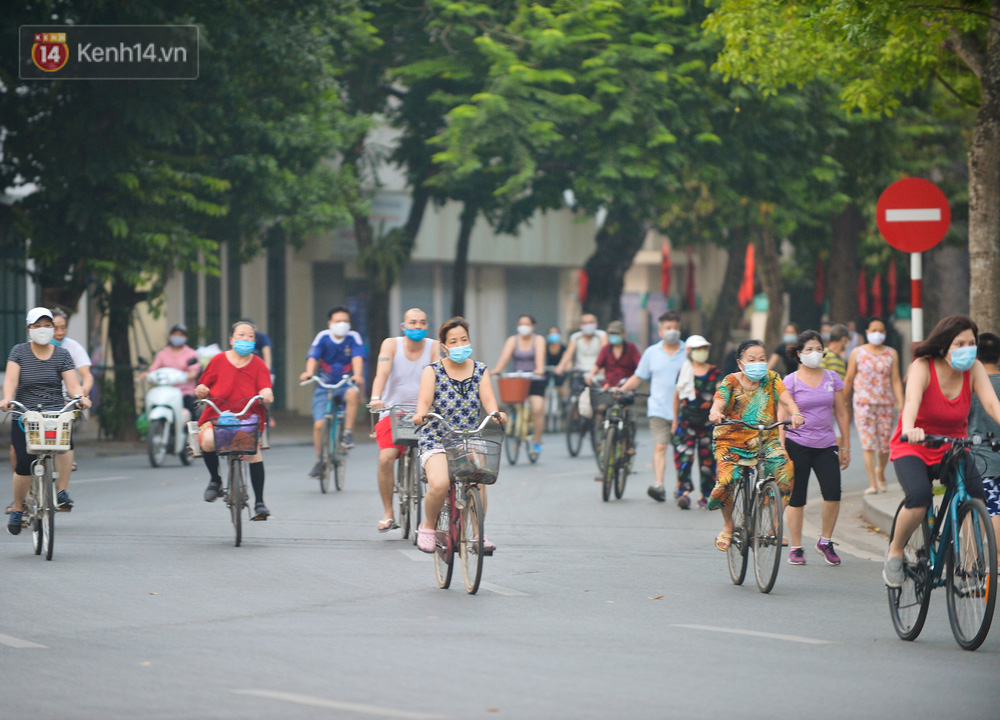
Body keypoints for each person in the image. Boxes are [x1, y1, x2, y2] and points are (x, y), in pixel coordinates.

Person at [884, 315, 1000, 587]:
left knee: (976, 500)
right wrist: (910, 427)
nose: (967, 349)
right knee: (919, 497)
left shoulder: (975, 369)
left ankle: (970, 569)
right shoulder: (923, 367)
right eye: (960, 343)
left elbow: (993, 405)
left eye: (972, 343)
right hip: (914, 444)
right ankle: (895, 551)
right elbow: (911, 401)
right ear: (944, 345)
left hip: (953, 447)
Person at [412, 317, 506, 553]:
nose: (460, 344)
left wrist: (496, 413)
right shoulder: (432, 371)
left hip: (468, 437)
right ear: (444, 346)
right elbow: (423, 401)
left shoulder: (480, 369)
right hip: (436, 437)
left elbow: (488, 400)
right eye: (453, 341)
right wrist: (420, 414)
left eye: (464, 339)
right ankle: (428, 526)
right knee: (441, 483)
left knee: (479, 479)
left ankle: (477, 534)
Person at [708, 340, 804, 552]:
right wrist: (716, 412)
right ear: (741, 363)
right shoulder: (730, 381)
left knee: (785, 469)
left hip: (765, 439)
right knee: (726, 480)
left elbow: (786, 399)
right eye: (752, 360)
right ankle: (728, 525)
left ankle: (775, 525)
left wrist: (796, 412)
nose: (758, 363)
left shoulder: (772, 379)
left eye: (762, 359)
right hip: (731, 440)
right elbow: (719, 400)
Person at [2, 308, 92, 535]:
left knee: (65, 442)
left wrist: (80, 398)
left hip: (53, 413)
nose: (43, 330)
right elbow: (11, 381)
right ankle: (18, 508)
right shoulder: (19, 352)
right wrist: (7, 399)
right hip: (25, 415)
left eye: (47, 325)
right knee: (23, 464)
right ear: (29, 329)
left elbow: (73, 385)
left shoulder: (62, 355)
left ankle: (62, 492)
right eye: (37, 325)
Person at [780, 331, 850, 566]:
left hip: (826, 444)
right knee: (796, 497)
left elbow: (841, 413)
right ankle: (797, 547)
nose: (814, 353)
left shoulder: (832, 378)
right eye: (808, 349)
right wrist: (781, 448)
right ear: (799, 354)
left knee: (833, 493)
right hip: (797, 444)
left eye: (818, 348)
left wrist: (846, 446)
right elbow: (782, 417)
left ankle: (825, 541)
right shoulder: (791, 381)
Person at [368, 308, 439, 532]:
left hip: (424, 413)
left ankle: (435, 514)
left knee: (437, 461)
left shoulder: (434, 346)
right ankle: (388, 512)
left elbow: (439, 375)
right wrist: (376, 398)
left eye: (422, 323)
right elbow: (382, 372)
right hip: (393, 411)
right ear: (403, 326)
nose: (418, 327)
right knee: (385, 458)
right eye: (413, 322)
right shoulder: (391, 344)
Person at [196, 320, 274, 520]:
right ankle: (215, 480)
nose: (245, 339)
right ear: (231, 340)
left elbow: (265, 387)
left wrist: (266, 394)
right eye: (241, 335)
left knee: (254, 452)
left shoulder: (258, 364)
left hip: (247, 419)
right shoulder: (218, 360)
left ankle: (259, 503)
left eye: (250, 336)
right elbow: (201, 386)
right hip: (216, 417)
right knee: (207, 441)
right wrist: (202, 390)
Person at [618, 312, 687, 502]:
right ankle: (659, 485)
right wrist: (621, 390)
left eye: (675, 327)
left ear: (679, 330)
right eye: (668, 327)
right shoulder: (651, 353)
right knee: (660, 446)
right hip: (658, 409)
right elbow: (638, 377)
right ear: (660, 331)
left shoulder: (688, 351)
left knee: (682, 451)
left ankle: (681, 488)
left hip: (683, 411)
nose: (672, 331)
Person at [300, 306, 366, 478]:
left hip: (345, 383)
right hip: (324, 385)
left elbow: (357, 357)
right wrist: (308, 373)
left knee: (352, 393)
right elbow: (313, 356)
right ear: (330, 323)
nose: (342, 324)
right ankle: (320, 461)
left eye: (345, 321)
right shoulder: (323, 337)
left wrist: (358, 375)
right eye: (338, 321)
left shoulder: (353, 337)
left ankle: (347, 433)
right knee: (318, 425)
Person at [844, 316, 904, 494]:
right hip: (863, 404)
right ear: (867, 332)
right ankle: (872, 482)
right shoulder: (858, 353)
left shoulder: (891, 353)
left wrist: (900, 402)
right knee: (868, 444)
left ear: (885, 333)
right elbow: (849, 379)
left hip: (886, 404)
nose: (877, 333)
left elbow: (895, 379)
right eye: (874, 330)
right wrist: (842, 403)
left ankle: (881, 471)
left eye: (881, 330)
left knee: (885, 444)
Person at [669, 335, 721, 510]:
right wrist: (675, 421)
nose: (702, 352)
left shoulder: (714, 372)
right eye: (698, 349)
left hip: (708, 422)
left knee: (708, 460)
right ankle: (684, 492)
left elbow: (721, 394)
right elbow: (676, 398)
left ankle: (705, 495)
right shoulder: (684, 371)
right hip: (686, 422)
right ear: (690, 352)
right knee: (683, 457)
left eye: (704, 348)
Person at [493, 314, 546, 456]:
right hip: (517, 380)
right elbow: (504, 357)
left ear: (533, 326)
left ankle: (537, 442)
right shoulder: (513, 340)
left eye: (527, 324)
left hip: (535, 380)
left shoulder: (538, 340)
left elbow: (540, 358)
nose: (524, 327)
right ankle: (516, 429)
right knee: (512, 403)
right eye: (521, 324)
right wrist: (497, 370)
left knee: (538, 408)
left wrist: (539, 369)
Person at [966, 332, 1000, 550]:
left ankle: (970, 564)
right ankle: (997, 562)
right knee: (996, 509)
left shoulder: (969, 385)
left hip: (979, 460)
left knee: (974, 509)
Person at [51, 307, 93, 477]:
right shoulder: (26, 350)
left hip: (65, 399)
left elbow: (86, 375)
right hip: (37, 400)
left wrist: (82, 394)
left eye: (63, 327)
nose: (60, 332)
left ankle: (62, 492)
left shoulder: (72, 348)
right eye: (55, 327)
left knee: (67, 423)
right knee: (21, 453)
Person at [139, 324, 200, 419]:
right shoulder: (163, 353)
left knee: (191, 410)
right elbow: (153, 368)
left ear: (185, 337)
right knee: (146, 408)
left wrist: (191, 374)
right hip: (165, 389)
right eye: (175, 334)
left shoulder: (191, 353)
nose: (178, 337)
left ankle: (188, 431)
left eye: (181, 335)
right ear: (170, 336)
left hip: (184, 391)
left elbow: (194, 370)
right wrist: (146, 374)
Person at [587, 320, 640, 389]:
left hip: (626, 387)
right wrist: (590, 375)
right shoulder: (606, 349)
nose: (614, 336)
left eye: (616, 333)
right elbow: (597, 364)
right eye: (611, 333)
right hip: (609, 387)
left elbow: (640, 367)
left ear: (623, 334)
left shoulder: (631, 348)